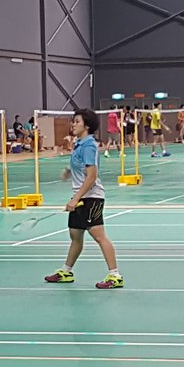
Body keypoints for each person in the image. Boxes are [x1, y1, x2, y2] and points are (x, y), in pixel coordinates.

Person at [45, 107, 122, 288]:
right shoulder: (79, 144)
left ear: (86, 126)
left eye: (77, 121)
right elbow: (81, 165)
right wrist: (68, 170)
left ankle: (115, 275)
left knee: (99, 235)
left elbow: (92, 176)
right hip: (80, 196)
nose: (73, 124)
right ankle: (66, 271)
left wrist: (75, 199)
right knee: (75, 234)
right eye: (73, 121)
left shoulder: (89, 145)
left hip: (91, 197)